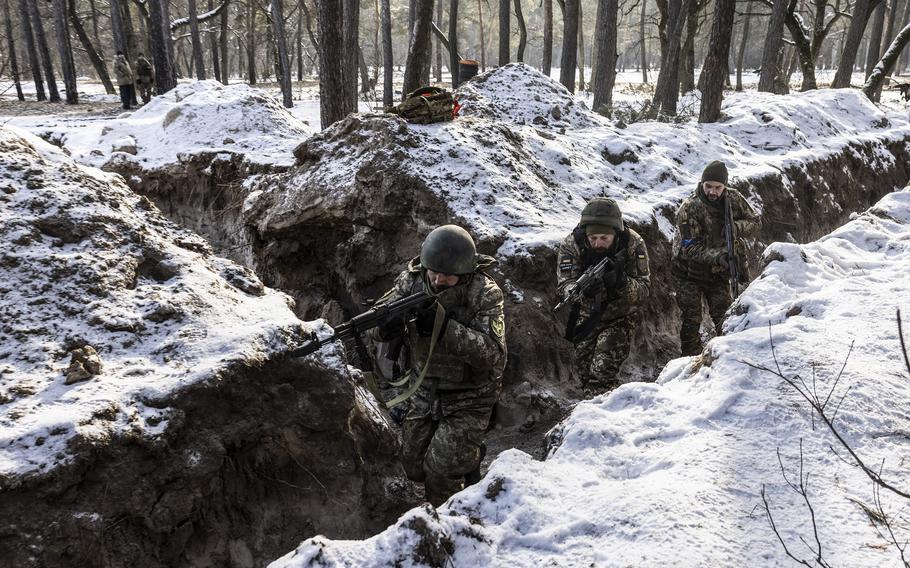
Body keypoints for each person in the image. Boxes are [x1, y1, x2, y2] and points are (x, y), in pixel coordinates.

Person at [372, 225, 506, 506]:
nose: (438, 279)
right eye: (434, 271)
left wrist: (443, 328)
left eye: (448, 275)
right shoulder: (412, 281)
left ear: (465, 272)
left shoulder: (485, 293)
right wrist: (386, 327)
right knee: (412, 466)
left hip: (470, 397)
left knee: (440, 474)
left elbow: (494, 355)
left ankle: (446, 525)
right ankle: (469, 458)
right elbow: (379, 321)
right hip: (424, 389)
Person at [556, 198, 651, 394]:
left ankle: (595, 414)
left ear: (615, 233)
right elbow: (565, 284)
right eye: (593, 238)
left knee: (601, 372)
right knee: (584, 374)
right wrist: (580, 291)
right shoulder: (572, 244)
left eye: (604, 238)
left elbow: (645, 289)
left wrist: (622, 283)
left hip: (621, 315)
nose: (598, 243)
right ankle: (606, 403)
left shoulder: (633, 242)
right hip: (587, 316)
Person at [672, 160, 762, 356]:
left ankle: (728, 356)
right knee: (692, 319)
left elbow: (755, 221)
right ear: (702, 184)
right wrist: (717, 257)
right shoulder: (688, 208)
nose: (713, 191)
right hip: (688, 273)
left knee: (724, 316)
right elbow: (689, 248)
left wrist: (736, 227)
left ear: (725, 186)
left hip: (718, 272)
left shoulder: (734, 199)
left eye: (718, 187)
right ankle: (688, 363)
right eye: (708, 186)